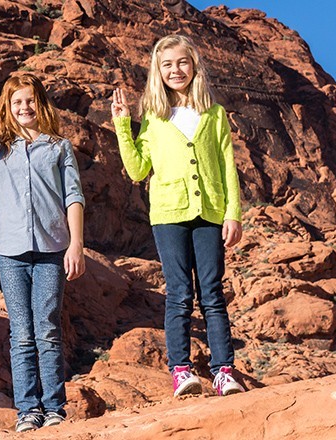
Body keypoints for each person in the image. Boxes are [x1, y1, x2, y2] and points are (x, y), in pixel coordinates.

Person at [110, 34, 246, 397]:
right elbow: (138, 170)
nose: (176, 70)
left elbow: (227, 166)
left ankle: (224, 372)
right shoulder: (153, 116)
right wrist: (124, 126)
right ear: (158, 70)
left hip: (210, 212)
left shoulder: (213, 114)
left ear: (194, 65)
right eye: (167, 65)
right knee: (180, 293)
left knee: (212, 293)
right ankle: (181, 370)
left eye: (182, 63)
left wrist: (233, 213)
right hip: (168, 213)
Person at [0, 74, 85, 432]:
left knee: (46, 328)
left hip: (51, 249)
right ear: (8, 109)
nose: (24, 107)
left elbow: (73, 196)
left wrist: (76, 243)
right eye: (17, 103)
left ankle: (54, 407)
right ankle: (28, 409)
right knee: (22, 333)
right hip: (11, 251)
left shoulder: (58, 147)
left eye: (30, 101)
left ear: (40, 104)